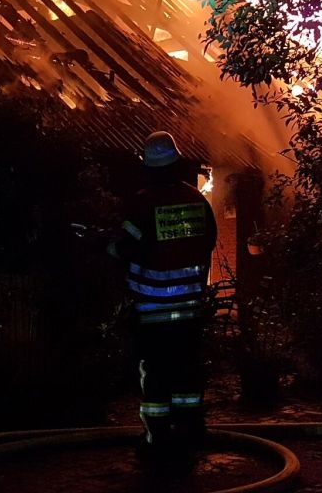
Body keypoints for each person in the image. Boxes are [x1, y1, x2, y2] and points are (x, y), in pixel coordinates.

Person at [108, 131, 218, 456]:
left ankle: (157, 443)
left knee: (156, 376)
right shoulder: (197, 200)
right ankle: (191, 434)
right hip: (190, 310)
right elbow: (209, 241)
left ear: (149, 167)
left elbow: (124, 247)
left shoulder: (142, 203)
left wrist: (109, 246)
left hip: (153, 311)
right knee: (188, 373)